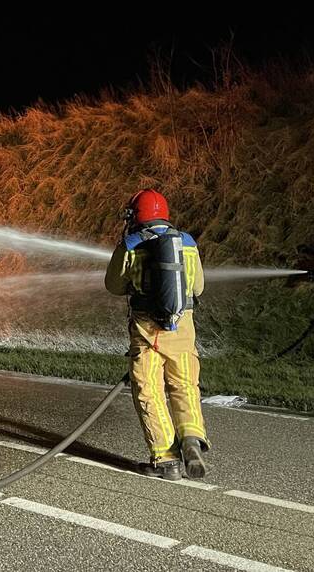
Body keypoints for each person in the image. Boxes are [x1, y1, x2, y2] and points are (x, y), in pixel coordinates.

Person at [105, 189, 209, 481]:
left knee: (149, 390)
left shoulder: (130, 244)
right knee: (185, 385)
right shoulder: (186, 243)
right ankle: (191, 437)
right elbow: (198, 288)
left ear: (135, 216)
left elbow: (113, 285)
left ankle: (166, 460)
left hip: (147, 331)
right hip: (183, 328)